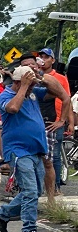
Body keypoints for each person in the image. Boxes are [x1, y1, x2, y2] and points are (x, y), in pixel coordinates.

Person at [0, 64, 73, 232]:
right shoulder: (6, 95)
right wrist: (25, 87)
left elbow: (58, 93)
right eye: (29, 84)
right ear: (18, 83)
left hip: (36, 149)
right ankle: (29, 231)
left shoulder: (33, 94)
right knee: (30, 191)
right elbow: (13, 109)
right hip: (19, 151)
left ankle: (1, 215)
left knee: (35, 191)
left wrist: (41, 77)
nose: (33, 88)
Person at [37, 47, 71, 195]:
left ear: (53, 60)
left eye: (46, 57)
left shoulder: (61, 78)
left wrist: (67, 121)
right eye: (41, 57)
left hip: (55, 120)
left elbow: (67, 99)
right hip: (39, 120)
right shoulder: (36, 77)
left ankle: (55, 187)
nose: (43, 60)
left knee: (54, 156)